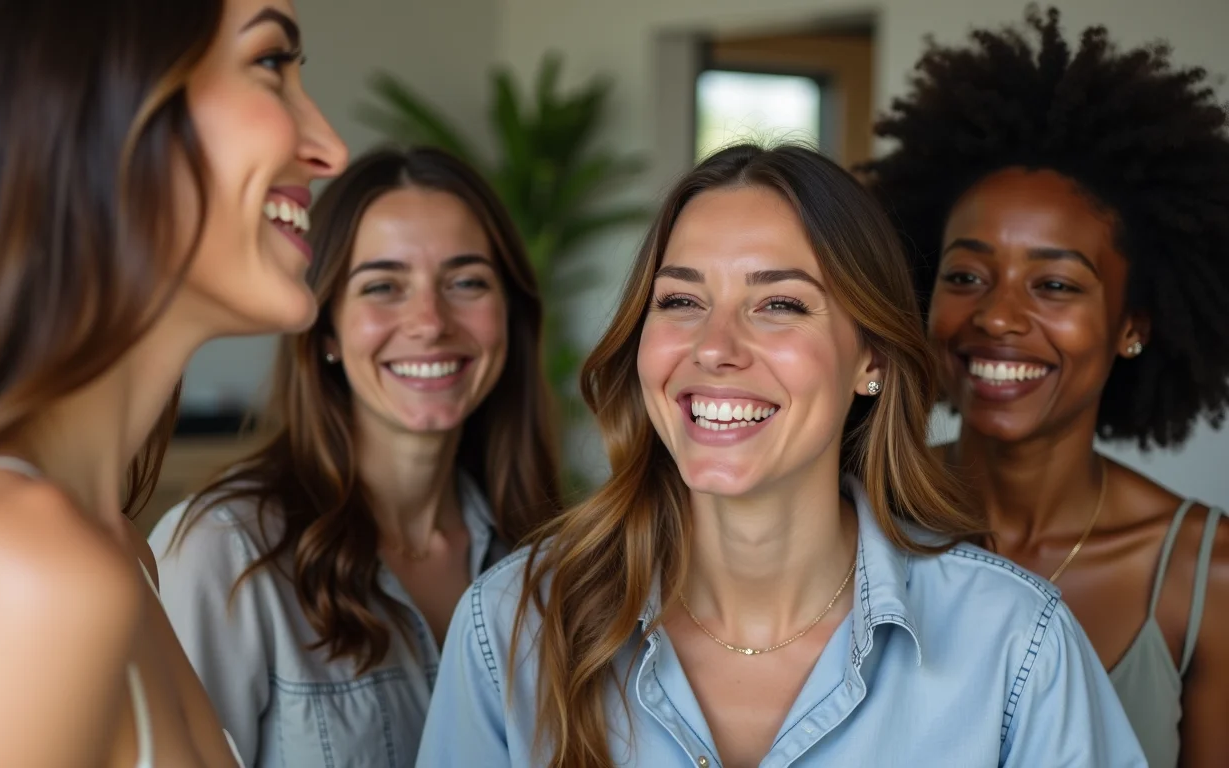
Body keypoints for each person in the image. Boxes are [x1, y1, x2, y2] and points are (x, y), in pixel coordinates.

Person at [416, 143, 1144, 767]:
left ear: (874, 360)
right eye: (679, 302)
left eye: (780, 305)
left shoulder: (1017, 644)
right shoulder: (513, 627)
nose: (714, 348)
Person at [0, 0, 347, 765]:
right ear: (94, 92)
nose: (329, 147)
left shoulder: (118, 548)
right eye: (271, 63)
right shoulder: (24, 570)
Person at [859, 8, 1229, 766]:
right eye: (964, 276)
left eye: (1055, 283)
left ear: (1135, 324)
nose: (997, 315)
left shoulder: (1204, 577)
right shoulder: (851, 515)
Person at [148, 146, 563, 767]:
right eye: (383, 286)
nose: (429, 321)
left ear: (510, 315)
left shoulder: (551, 562)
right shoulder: (221, 554)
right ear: (328, 332)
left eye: (467, 281)